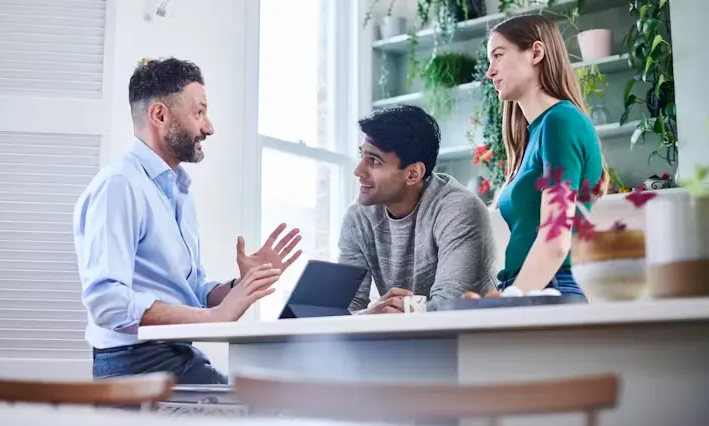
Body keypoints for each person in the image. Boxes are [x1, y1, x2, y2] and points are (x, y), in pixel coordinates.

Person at [73, 57, 302, 384]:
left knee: (273, 402)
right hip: (135, 365)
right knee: (269, 409)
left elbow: (190, 292)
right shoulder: (119, 187)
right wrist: (213, 317)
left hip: (174, 357)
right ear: (160, 115)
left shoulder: (177, 191)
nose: (209, 127)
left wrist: (242, 285)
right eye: (199, 112)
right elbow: (106, 302)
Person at [485, 15, 608, 298]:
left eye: (498, 56)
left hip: (550, 289)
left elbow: (555, 238)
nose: (490, 71)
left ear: (536, 52)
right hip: (531, 288)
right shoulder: (536, 134)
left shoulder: (560, 121)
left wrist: (513, 297)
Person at [338, 105, 498, 314]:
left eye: (374, 161)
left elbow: (449, 306)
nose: (358, 171)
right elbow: (344, 311)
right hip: (407, 340)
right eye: (362, 157)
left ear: (413, 174)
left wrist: (384, 314)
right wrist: (372, 314)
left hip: (476, 339)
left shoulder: (458, 209)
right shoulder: (358, 217)